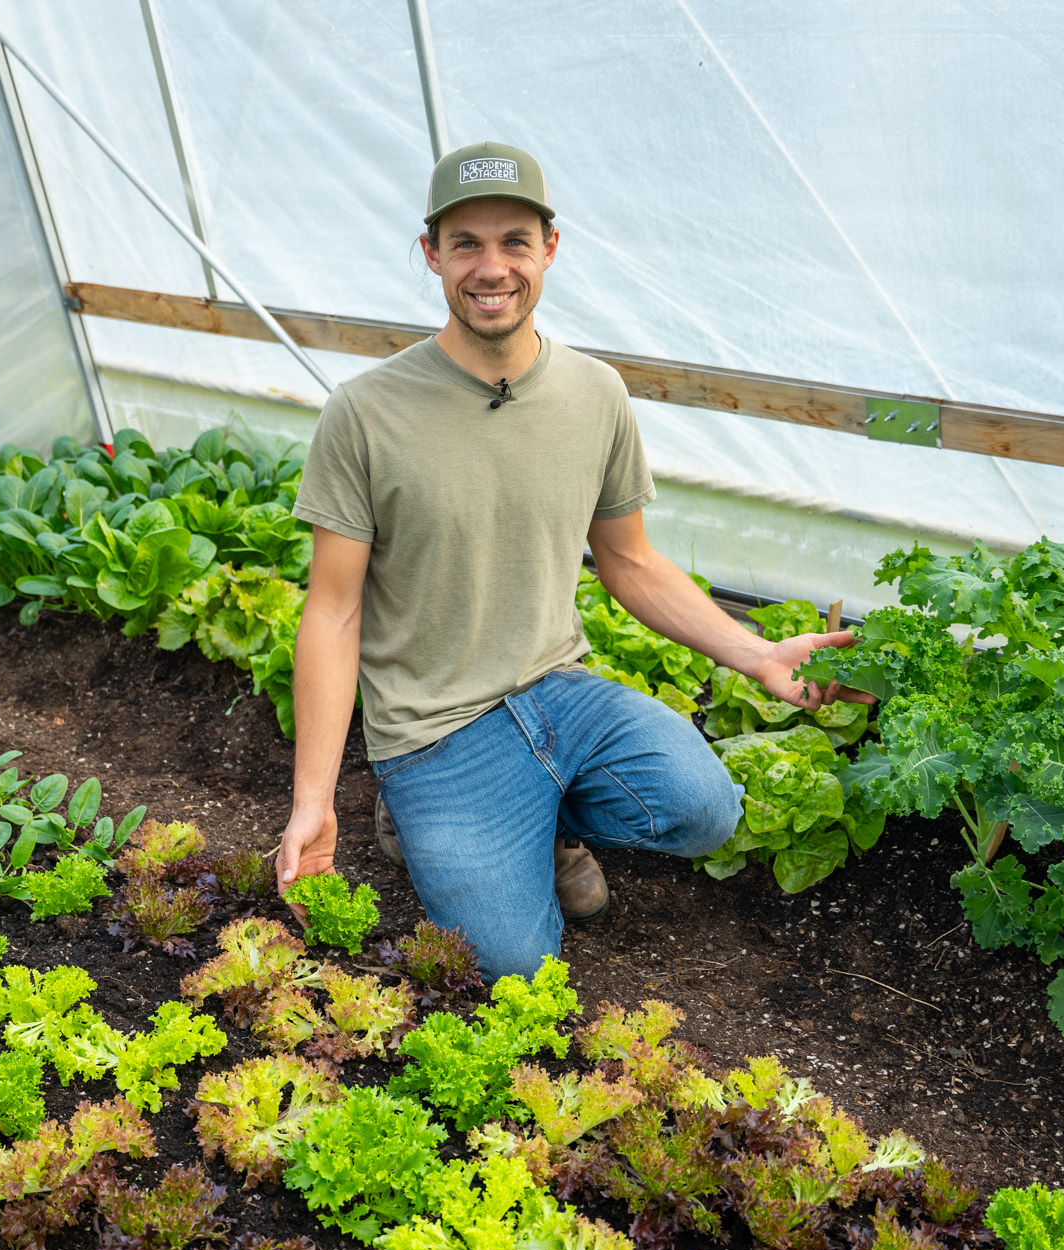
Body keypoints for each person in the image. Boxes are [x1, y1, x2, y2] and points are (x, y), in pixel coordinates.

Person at [276, 140, 865, 980]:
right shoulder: (365, 414)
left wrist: (759, 652)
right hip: (437, 734)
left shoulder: (595, 393)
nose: (491, 267)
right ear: (431, 254)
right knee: (516, 968)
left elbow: (630, 561)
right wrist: (314, 802)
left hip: (558, 694)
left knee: (707, 808)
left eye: (514, 240)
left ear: (549, 248)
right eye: (466, 243)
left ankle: (542, 818)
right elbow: (332, 610)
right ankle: (417, 820)